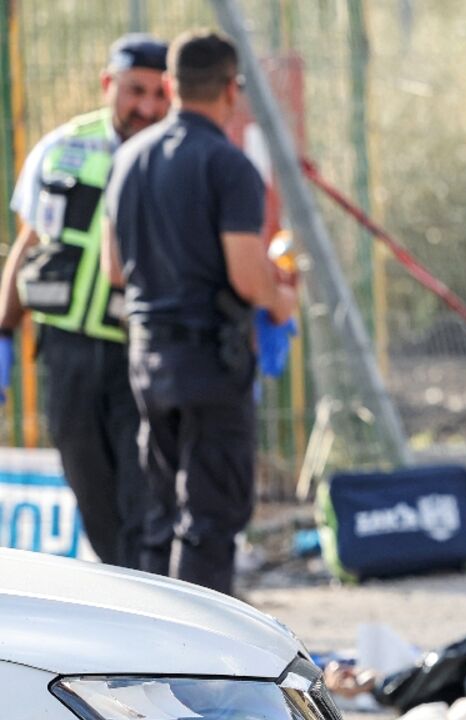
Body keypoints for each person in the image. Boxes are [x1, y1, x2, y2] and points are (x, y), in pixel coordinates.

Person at [102, 29, 297, 595]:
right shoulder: (228, 165)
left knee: (160, 516)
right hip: (210, 361)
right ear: (231, 90)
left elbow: (115, 269)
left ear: (171, 85)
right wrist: (281, 299)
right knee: (210, 520)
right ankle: (197, 667)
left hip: (146, 357)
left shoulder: (129, 158)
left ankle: (148, 652)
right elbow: (247, 275)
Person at [0, 34, 169, 568]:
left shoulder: (174, 158)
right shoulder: (64, 148)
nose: (145, 107)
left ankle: (149, 606)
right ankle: (126, 598)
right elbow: (30, 243)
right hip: (66, 355)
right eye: (134, 91)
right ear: (108, 85)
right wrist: (2, 336)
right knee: (91, 491)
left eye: (159, 94)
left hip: (138, 356)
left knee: (142, 498)